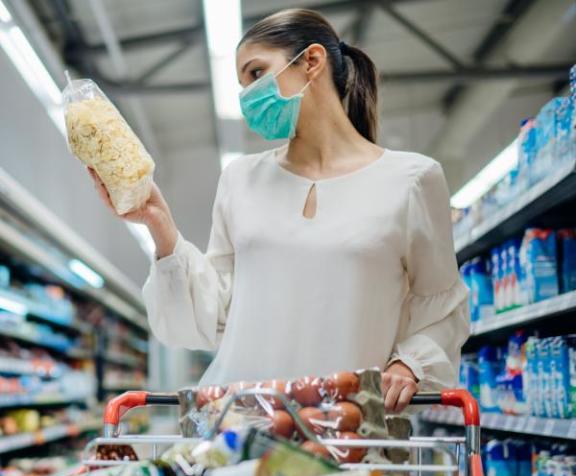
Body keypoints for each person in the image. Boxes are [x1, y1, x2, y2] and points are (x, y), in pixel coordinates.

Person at [88, 8, 469, 414]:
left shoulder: (412, 179)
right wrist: (160, 226)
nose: (248, 96)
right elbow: (212, 314)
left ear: (311, 61)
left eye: (255, 73)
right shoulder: (240, 179)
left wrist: (410, 364)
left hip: (348, 430)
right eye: (242, 83)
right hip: (241, 427)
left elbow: (442, 307)